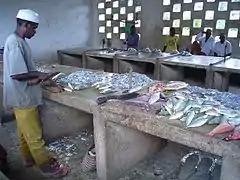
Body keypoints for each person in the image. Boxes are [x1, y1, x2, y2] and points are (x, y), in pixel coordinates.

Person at [3, 9, 68, 178]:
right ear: (25, 25)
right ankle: (47, 168)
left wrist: (38, 78)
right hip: (23, 97)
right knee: (35, 135)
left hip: (21, 94)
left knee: (24, 131)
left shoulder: (19, 41)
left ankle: (28, 159)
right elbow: (16, 74)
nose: (35, 32)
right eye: (34, 28)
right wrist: (40, 75)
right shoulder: (15, 42)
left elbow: (23, 72)